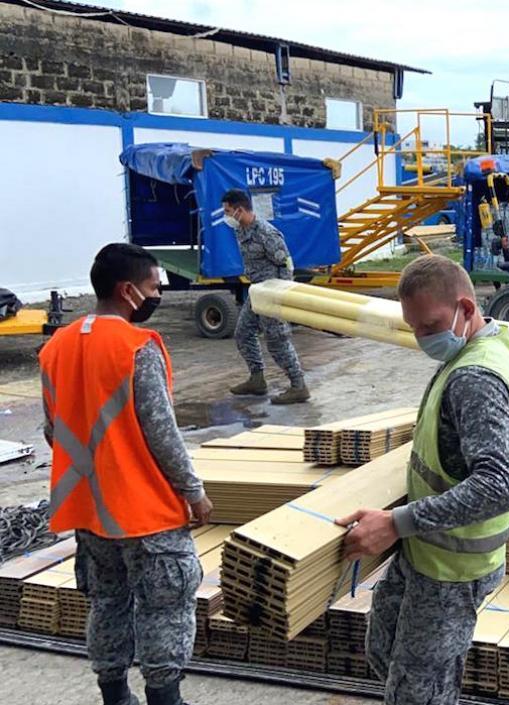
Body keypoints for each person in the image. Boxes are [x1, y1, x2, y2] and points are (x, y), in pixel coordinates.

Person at [335, 255, 509, 705]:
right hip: (424, 549)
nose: (423, 338)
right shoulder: (485, 342)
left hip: (452, 569)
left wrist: (394, 523)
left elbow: (499, 485)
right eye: (414, 328)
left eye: (430, 325)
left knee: (416, 692)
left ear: (465, 307)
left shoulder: (475, 376)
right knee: (383, 649)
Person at [39, 243, 212, 705]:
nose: (158, 295)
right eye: (155, 287)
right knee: (165, 606)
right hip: (145, 510)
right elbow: (162, 432)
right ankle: (164, 697)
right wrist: (193, 491)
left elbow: (53, 431)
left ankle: (114, 694)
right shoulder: (137, 347)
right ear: (128, 291)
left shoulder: (54, 347)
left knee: (108, 601)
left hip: (89, 510)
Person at [221, 188, 309, 405]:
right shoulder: (241, 229)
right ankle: (257, 379)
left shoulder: (266, 233)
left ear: (240, 210)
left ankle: (299, 386)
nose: (226, 216)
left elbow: (286, 264)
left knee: (277, 340)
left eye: (228, 211)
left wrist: (283, 295)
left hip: (272, 292)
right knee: (243, 333)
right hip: (257, 291)